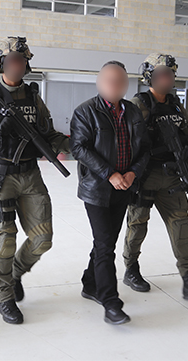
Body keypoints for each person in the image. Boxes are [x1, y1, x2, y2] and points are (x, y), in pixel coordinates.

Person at [0, 36, 70, 325]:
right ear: (1, 64)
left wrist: (76, 145)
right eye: (11, 61)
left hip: (31, 175)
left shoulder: (33, 97)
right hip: (1, 177)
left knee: (42, 239)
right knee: (4, 241)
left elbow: (48, 134)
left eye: (21, 60)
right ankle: (5, 297)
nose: (17, 65)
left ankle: (15, 273)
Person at [123, 53, 188, 300]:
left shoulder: (175, 104)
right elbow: (127, 141)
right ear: (149, 77)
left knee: (181, 224)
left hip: (173, 176)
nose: (167, 78)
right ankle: (131, 269)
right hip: (146, 176)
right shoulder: (139, 104)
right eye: (162, 74)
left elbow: (187, 132)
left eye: (170, 74)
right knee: (137, 224)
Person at [70, 61, 150, 325]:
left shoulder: (133, 111)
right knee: (105, 245)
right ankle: (111, 303)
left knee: (105, 243)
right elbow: (79, 148)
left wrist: (133, 173)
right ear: (99, 82)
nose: (115, 85)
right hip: (97, 189)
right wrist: (109, 174)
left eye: (120, 81)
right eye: (109, 80)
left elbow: (144, 148)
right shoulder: (85, 112)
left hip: (124, 187)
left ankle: (89, 282)